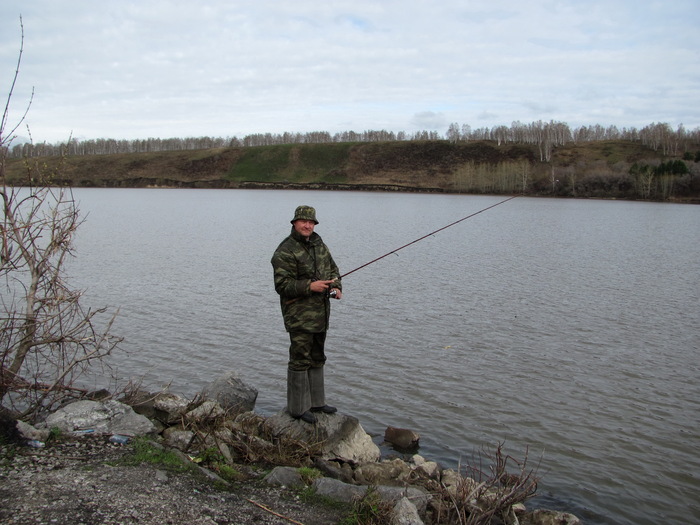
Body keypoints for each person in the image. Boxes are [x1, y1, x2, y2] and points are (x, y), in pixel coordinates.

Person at [271, 205, 343, 424]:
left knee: (317, 356)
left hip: (321, 315)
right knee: (300, 359)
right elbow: (282, 285)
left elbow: (333, 270)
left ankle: (317, 402)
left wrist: (336, 287)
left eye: (311, 222)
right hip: (299, 317)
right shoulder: (285, 250)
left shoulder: (319, 245)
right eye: (303, 221)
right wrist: (310, 287)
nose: (307, 225)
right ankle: (297, 408)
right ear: (294, 223)